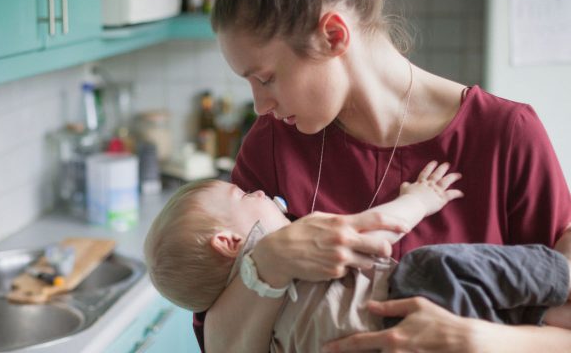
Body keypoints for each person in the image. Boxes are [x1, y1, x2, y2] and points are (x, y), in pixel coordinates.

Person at [202, 0, 571, 352]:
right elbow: (220, 344)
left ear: (334, 36)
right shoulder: (271, 144)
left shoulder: (507, 135)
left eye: (266, 78)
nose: (260, 105)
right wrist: (268, 263)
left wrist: (476, 340)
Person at [144, 163, 571, 353]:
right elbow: (375, 232)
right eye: (241, 195)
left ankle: (548, 313)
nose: (254, 190)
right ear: (228, 242)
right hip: (407, 302)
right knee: (437, 265)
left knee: (506, 313)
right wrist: (419, 201)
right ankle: (562, 274)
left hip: (398, 340)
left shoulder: (253, 324)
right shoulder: (282, 241)